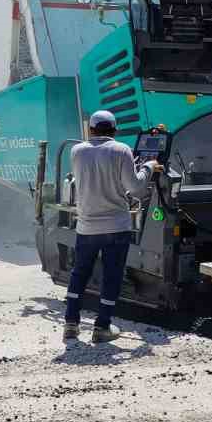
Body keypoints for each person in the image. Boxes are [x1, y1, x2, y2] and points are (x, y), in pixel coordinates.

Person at [64, 110, 160, 343]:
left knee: (79, 273)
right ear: (115, 131)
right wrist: (148, 166)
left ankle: (71, 324)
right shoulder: (121, 150)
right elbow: (136, 188)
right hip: (116, 227)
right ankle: (102, 327)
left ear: (91, 130)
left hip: (86, 226)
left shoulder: (76, 151)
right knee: (111, 276)